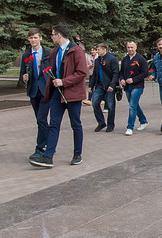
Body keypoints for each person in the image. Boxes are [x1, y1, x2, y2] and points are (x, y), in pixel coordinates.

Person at [30, 24, 88, 167]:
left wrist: (64, 81)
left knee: (76, 124)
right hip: (57, 94)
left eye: (52, 34)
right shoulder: (54, 52)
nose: (51, 37)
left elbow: (81, 73)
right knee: (54, 124)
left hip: (72, 94)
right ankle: (48, 156)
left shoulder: (76, 50)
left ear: (59, 35)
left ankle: (77, 154)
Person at [20, 28, 51, 159]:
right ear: (28, 40)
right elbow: (22, 72)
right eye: (31, 38)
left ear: (40, 38)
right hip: (34, 91)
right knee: (40, 121)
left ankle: (40, 148)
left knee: (41, 119)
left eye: (35, 37)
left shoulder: (48, 53)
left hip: (45, 90)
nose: (33, 40)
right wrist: (24, 77)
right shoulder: (26, 56)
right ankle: (50, 143)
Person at [119, 41, 149, 135]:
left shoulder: (141, 59)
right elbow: (121, 72)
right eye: (128, 47)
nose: (130, 49)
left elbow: (145, 73)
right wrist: (122, 79)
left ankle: (130, 127)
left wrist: (134, 80)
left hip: (138, 86)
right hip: (127, 86)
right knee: (134, 104)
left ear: (136, 48)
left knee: (132, 105)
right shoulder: (125, 60)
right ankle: (143, 121)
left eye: (132, 47)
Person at [89, 43, 120, 133]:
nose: (96, 51)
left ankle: (110, 125)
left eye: (98, 49)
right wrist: (91, 86)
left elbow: (115, 73)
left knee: (110, 106)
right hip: (99, 85)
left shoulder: (112, 59)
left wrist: (112, 85)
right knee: (95, 103)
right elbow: (94, 74)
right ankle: (101, 122)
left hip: (109, 85)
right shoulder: (98, 60)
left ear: (104, 50)